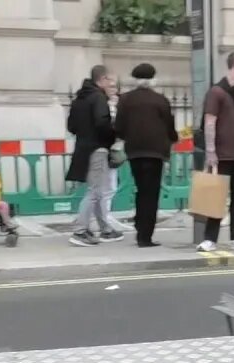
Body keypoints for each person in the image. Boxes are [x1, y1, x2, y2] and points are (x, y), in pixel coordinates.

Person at [114, 63, 178, 248]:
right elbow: (169, 126)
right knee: (151, 193)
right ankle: (145, 235)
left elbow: (119, 127)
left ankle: (139, 225)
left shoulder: (125, 100)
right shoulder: (161, 100)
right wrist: (173, 139)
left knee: (141, 189)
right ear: (153, 79)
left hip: (135, 151)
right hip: (156, 152)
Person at [199, 52, 234, 254]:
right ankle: (209, 239)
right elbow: (209, 122)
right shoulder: (217, 92)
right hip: (222, 153)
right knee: (216, 197)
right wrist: (211, 151)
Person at [66, 65, 123, 247]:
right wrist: (111, 137)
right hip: (97, 148)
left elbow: (71, 127)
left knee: (97, 190)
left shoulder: (79, 98)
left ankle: (105, 228)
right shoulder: (98, 98)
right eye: (111, 81)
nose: (112, 84)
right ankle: (80, 231)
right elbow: (102, 123)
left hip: (83, 147)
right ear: (103, 79)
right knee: (94, 191)